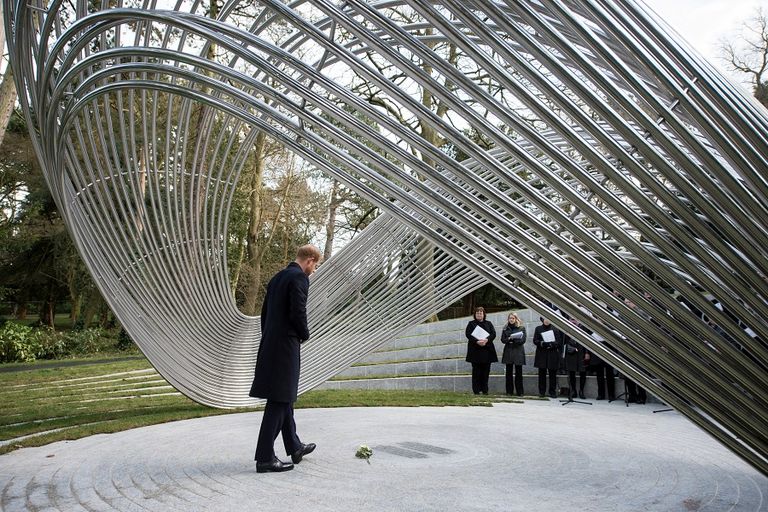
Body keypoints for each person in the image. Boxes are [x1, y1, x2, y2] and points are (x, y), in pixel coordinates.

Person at [250, 244, 322, 473]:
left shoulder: (277, 277)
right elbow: (298, 311)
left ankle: (295, 446)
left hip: (272, 343)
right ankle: (265, 458)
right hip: (286, 346)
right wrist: (304, 334)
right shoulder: (299, 278)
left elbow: (265, 315)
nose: (314, 270)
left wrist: (272, 337)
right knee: (279, 400)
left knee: (284, 397)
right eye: (315, 265)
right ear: (309, 260)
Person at [465, 306, 497, 394]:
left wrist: (487, 340)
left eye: (481, 313)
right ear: (475, 315)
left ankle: (485, 390)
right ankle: (476, 390)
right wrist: (477, 341)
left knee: (486, 371)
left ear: (484, 314)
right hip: (475, 351)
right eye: (477, 313)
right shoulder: (471, 324)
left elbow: (493, 334)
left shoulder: (489, 323)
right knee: (476, 372)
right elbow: (468, 334)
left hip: (487, 350)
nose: (479, 314)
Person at [532, 317, 562, 398]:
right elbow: (535, 340)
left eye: (548, 318)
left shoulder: (555, 329)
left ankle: (552, 391)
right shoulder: (538, 328)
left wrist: (552, 344)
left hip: (552, 353)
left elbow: (559, 341)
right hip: (542, 353)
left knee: (552, 374)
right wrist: (542, 343)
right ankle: (542, 392)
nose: (547, 320)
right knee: (542, 373)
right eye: (545, 318)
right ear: (542, 319)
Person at [500, 312, 526, 396]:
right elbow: (503, 340)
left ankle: (520, 392)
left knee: (519, 373)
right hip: (508, 351)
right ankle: (509, 391)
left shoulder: (521, 328)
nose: (511, 320)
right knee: (508, 373)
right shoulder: (505, 328)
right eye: (510, 318)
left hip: (518, 351)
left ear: (516, 319)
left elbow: (523, 340)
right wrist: (509, 339)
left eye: (513, 318)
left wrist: (513, 339)